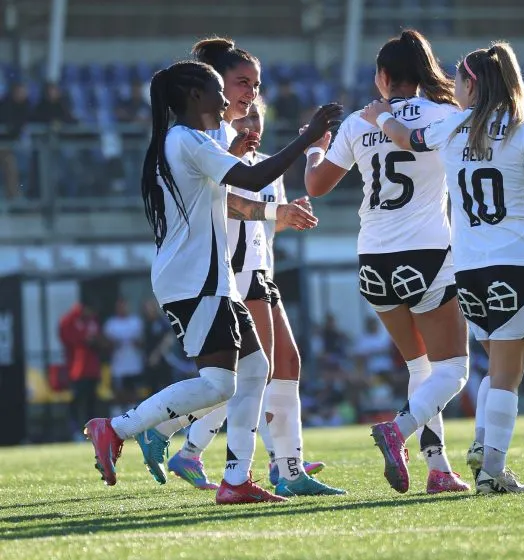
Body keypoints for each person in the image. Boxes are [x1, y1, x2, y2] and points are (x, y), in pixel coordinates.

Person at [82, 57, 341, 504]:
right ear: (195, 97)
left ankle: (236, 480)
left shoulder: (188, 141)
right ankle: (117, 428)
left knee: (256, 369)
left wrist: (237, 155)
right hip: (194, 281)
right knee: (220, 382)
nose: (227, 98)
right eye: (220, 90)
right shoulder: (186, 140)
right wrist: (306, 140)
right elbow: (257, 177)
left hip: (209, 280)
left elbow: (224, 193)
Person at [360, 40, 524, 495]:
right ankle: (486, 469)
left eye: (459, 80)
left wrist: (379, 115)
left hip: (467, 269)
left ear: (473, 85)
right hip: (516, 262)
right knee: (507, 372)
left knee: (498, 364)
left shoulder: (453, 128)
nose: (454, 88)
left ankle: (483, 451)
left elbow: (406, 139)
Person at [305, 29, 472, 495]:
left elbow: (316, 186)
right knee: (453, 370)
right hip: (427, 253)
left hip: (372, 257)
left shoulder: (360, 122)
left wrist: (315, 146)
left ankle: (438, 470)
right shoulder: (445, 115)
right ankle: (399, 431)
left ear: (382, 76)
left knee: (420, 367)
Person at [153, 94, 342, 496]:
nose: (250, 122)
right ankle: (268, 464)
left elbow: (263, 226)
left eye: (257, 115)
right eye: (245, 114)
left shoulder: (267, 166)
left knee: (281, 364)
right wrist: (279, 212)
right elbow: (225, 208)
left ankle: (278, 462)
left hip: (260, 270)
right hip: (233, 274)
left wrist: (289, 216)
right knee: (256, 373)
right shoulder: (216, 154)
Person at [58, 302, 102, 441]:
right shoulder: (71, 321)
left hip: (92, 370)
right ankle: (75, 431)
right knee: (76, 402)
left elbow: (98, 339)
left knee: (91, 402)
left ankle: (92, 432)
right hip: (76, 371)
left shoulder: (92, 321)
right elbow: (67, 337)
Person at [102, 298, 145, 402]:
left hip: (134, 365)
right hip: (118, 366)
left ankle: (134, 414)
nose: (122, 309)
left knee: (134, 393)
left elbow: (143, 343)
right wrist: (114, 344)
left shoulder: (136, 322)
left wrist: (136, 343)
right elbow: (105, 346)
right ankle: (120, 414)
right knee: (119, 393)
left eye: (124, 306)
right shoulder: (111, 324)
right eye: (119, 306)